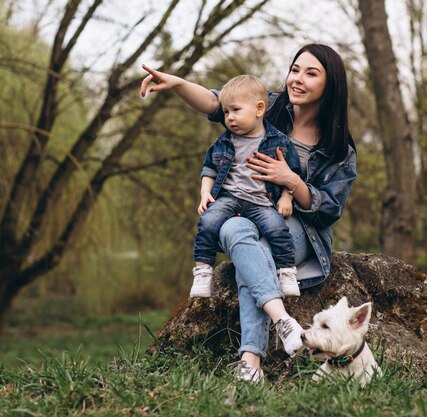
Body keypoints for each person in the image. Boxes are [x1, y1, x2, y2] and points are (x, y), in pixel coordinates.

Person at [140, 43, 357, 383]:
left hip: (295, 225)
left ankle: (250, 361)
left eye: (311, 74)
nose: (297, 79)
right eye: (295, 69)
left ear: (331, 86)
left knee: (254, 256)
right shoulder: (269, 106)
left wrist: (291, 181)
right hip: (244, 211)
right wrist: (178, 83)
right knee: (232, 231)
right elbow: (217, 102)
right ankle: (282, 322)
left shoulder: (337, 146)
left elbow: (330, 208)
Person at [190, 74, 302, 299]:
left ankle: (286, 272)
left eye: (236, 110)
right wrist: (205, 193)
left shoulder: (278, 142)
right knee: (208, 222)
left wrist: (286, 198)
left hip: (261, 201)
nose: (229, 118)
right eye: (226, 112)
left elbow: (293, 173)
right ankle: (202, 271)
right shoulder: (224, 142)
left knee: (278, 229)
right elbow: (209, 169)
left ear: (259, 109)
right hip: (229, 198)